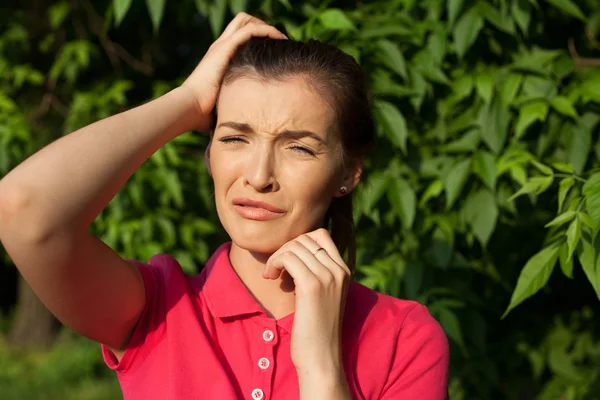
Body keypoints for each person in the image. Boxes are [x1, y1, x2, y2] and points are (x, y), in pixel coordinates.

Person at [0, 13, 449, 400]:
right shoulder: (157, 309)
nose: (258, 176)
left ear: (348, 174)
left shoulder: (403, 336)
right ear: (210, 153)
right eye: (234, 138)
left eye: (299, 148)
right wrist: (189, 101)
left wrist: (320, 366)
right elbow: (22, 210)